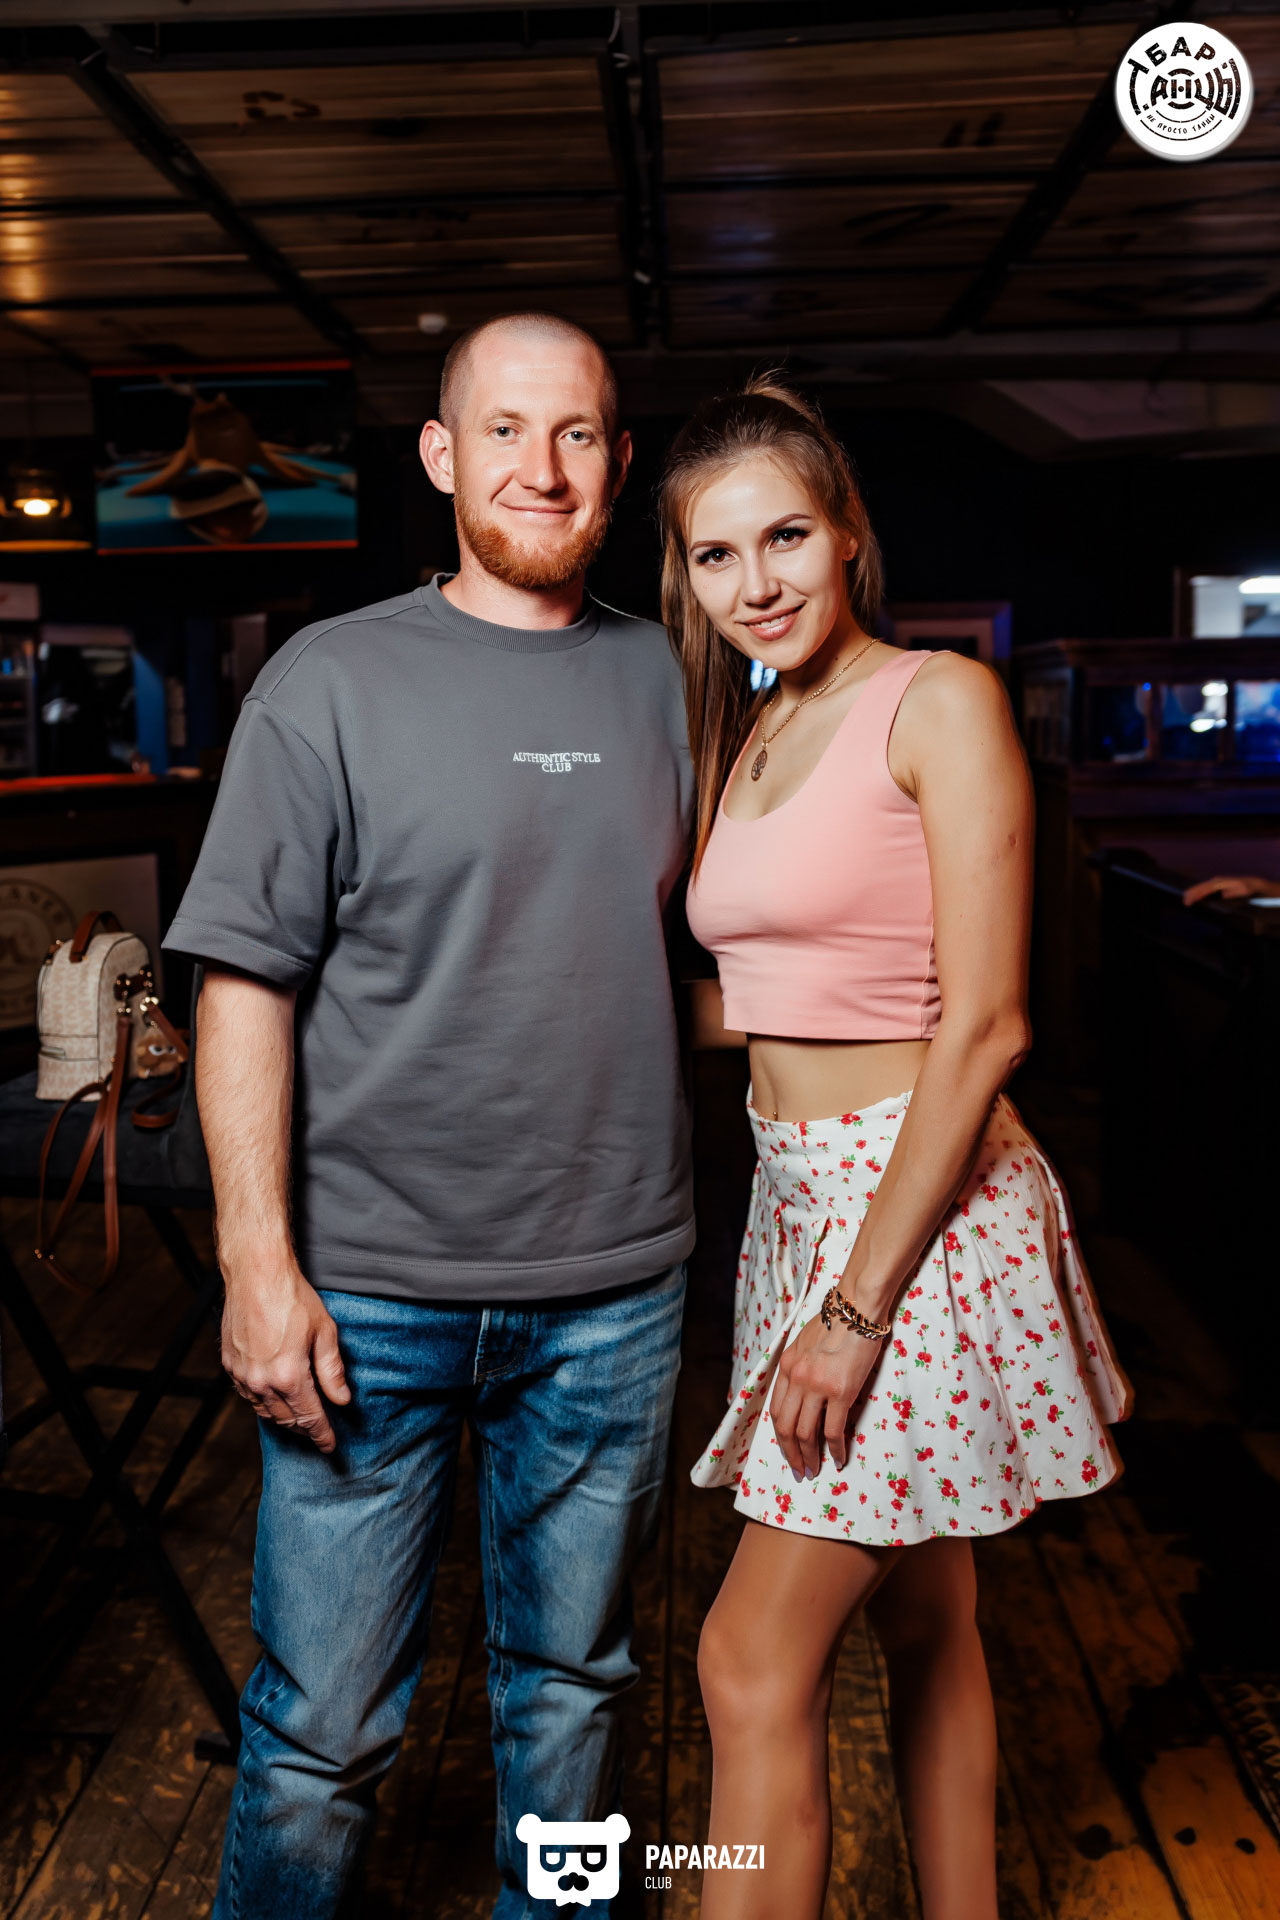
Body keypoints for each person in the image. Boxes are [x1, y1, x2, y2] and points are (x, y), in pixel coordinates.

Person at [162, 312, 695, 1920]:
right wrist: (258, 1268)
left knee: (576, 1694)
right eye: (507, 431)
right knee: (321, 1736)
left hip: (613, 1290)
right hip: (369, 1294)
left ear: (618, 459)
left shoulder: (675, 678)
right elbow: (242, 985)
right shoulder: (330, 682)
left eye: (579, 432)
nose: (544, 468)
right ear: (441, 455)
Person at [660, 377, 1134, 1920]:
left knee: (747, 1662)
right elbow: (778, 994)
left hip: (914, 1215)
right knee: (929, 1623)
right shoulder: (753, 725)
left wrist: (856, 1310)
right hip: (796, 1201)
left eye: (787, 536)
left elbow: (984, 1027)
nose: (758, 582)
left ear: (850, 531)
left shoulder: (938, 701)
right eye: (719, 554)